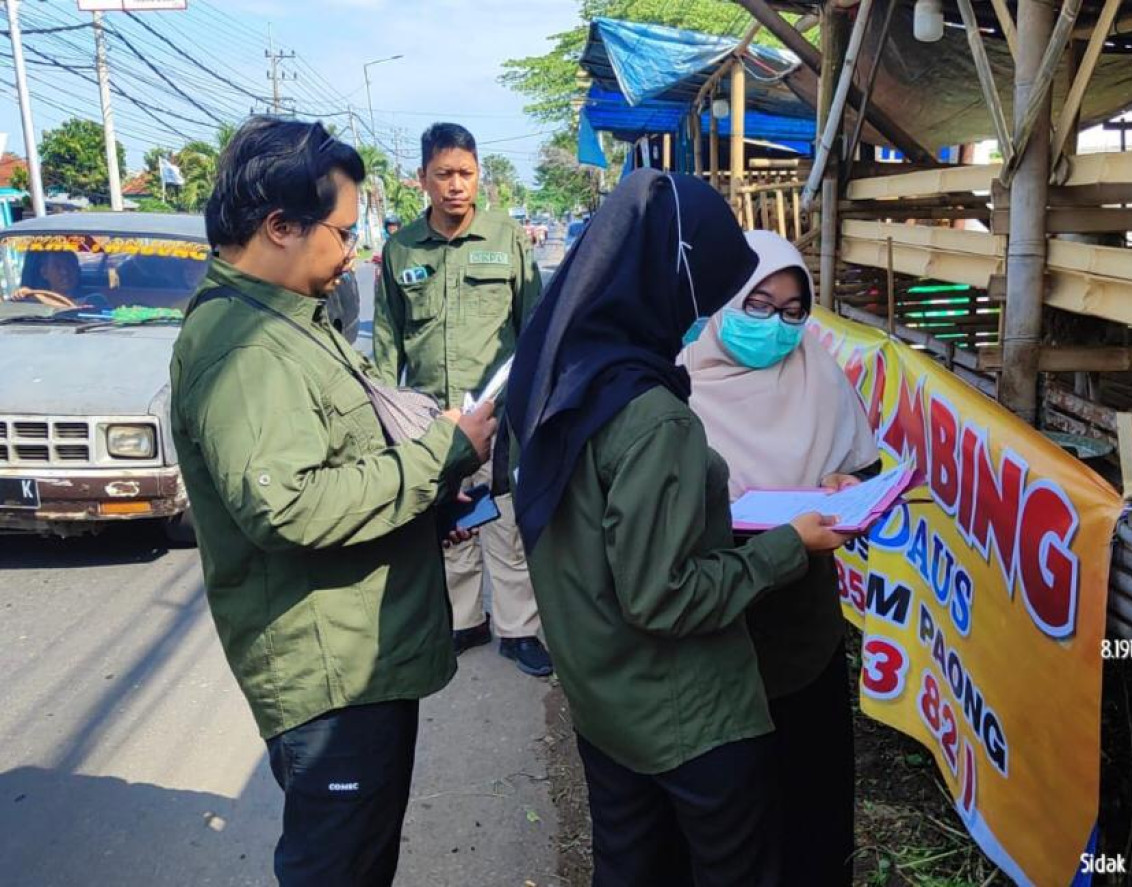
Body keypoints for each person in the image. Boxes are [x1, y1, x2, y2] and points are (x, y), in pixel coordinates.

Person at [169, 117, 495, 886]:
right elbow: (290, 507)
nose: (353, 250)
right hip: (331, 675)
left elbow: (335, 461)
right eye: (343, 232)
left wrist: (423, 499)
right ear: (279, 226)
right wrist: (437, 456)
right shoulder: (245, 346)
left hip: (359, 654)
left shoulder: (288, 316)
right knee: (339, 866)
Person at [506, 169, 855, 886]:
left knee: (634, 859)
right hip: (684, 700)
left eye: (791, 308)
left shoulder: (557, 376)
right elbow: (661, 594)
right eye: (732, 291)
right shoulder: (654, 413)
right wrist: (787, 545)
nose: (767, 321)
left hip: (610, 688)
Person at [681, 229, 876, 886]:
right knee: (734, 813)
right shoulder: (678, 385)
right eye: (759, 304)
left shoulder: (816, 369)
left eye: (795, 311)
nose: (779, 325)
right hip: (715, 631)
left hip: (802, 630)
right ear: (724, 298)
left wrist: (850, 489)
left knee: (813, 806)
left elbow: (861, 465)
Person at [373, 122, 551, 677]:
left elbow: (536, 328)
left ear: (480, 177)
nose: (456, 185)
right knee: (449, 524)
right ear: (422, 179)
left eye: (466, 174)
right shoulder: (400, 250)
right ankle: (464, 621)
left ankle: (519, 629)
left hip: (499, 415)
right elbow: (386, 343)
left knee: (506, 524)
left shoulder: (507, 239)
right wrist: (383, 422)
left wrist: (533, 408)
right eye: (444, 174)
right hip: (430, 417)